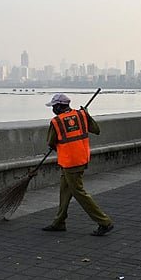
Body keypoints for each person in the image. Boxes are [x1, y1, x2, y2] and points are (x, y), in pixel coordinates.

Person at [41, 93, 114, 236]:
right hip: (81, 158)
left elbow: (51, 142)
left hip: (70, 162)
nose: (53, 109)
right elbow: (96, 130)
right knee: (65, 191)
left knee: (79, 192)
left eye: (54, 106)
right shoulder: (81, 115)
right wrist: (87, 115)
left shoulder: (56, 121)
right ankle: (59, 222)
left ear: (59, 106)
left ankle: (104, 222)